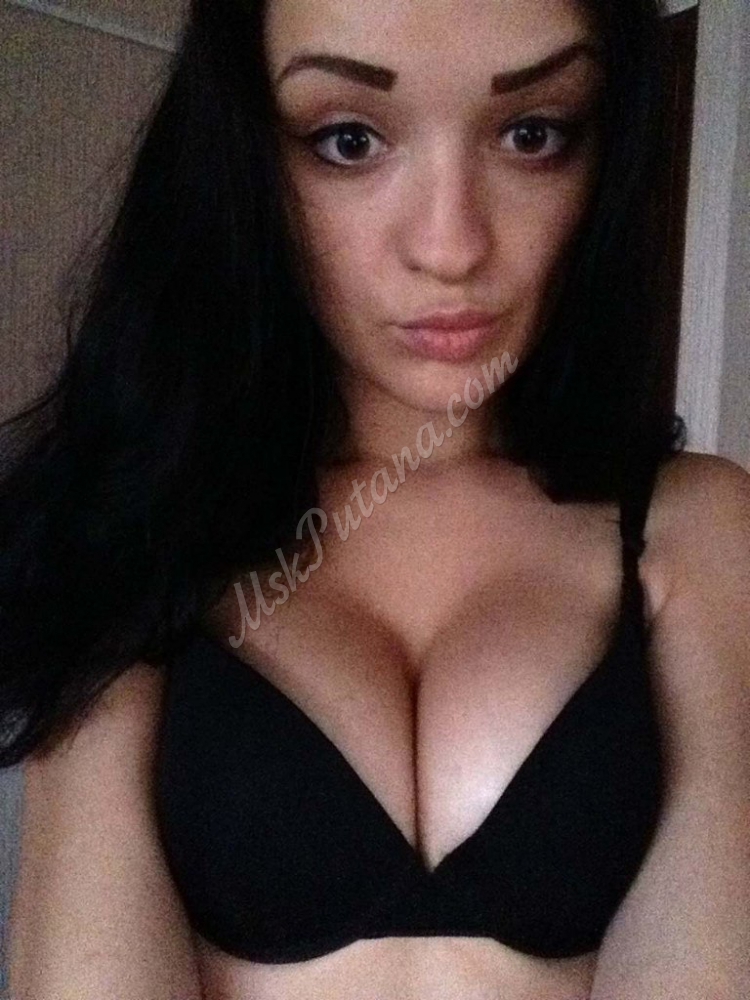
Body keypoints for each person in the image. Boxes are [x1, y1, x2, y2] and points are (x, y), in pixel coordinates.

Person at [2, 0, 749, 997]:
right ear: (246, 159)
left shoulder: (695, 531)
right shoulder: (136, 526)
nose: (451, 245)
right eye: (349, 140)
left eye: (532, 133)